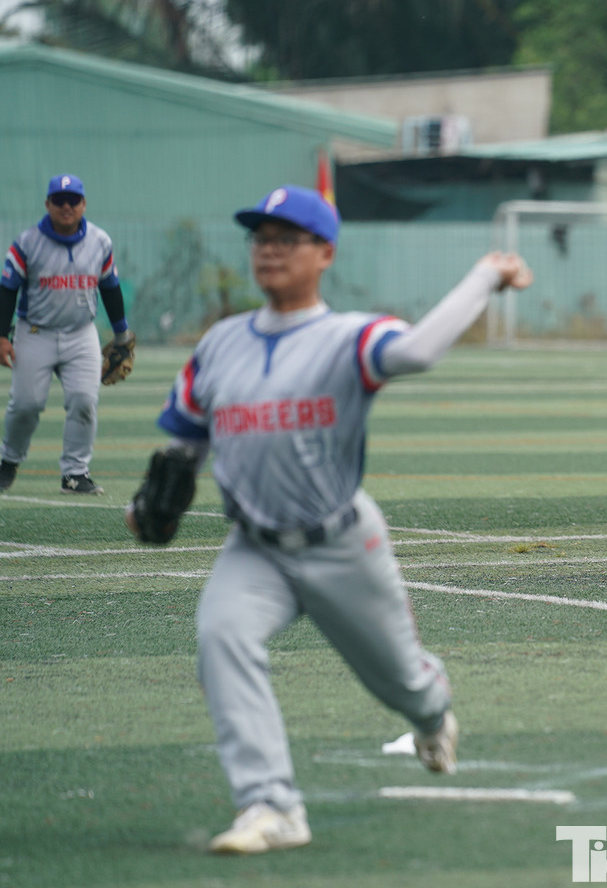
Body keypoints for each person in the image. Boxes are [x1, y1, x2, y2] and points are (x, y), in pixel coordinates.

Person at [134, 185, 533, 854]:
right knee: (221, 637)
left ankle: (435, 719)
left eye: (286, 239)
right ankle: (271, 805)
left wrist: (485, 276)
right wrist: (148, 503)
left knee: (406, 684)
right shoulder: (220, 344)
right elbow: (188, 442)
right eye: (261, 238)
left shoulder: (349, 337)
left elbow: (417, 352)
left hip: (342, 543)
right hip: (254, 547)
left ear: (325, 253)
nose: (269, 250)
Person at [0, 174, 133, 494]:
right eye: (59, 200)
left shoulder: (99, 241)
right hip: (35, 332)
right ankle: (7, 461)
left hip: (80, 333)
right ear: (47, 204)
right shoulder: (28, 242)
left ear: (84, 204)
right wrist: (2, 335)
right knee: (26, 404)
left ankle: (75, 473)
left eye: (73, 199)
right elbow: (7, 289)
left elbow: (110, 288)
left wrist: (122, 334)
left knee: (85, 400)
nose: (66, 206)